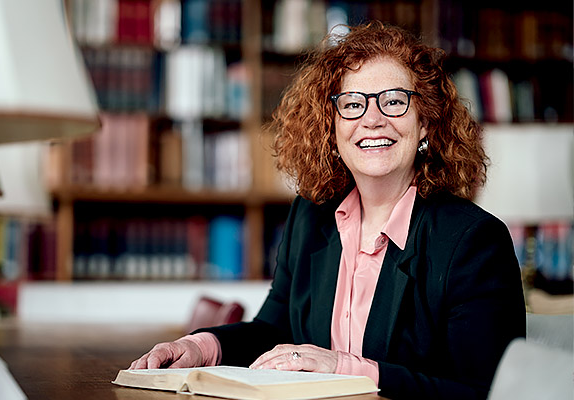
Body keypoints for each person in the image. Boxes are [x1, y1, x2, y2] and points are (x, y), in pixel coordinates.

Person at [129, 21, 526, 399]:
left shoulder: (474, 242)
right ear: (332, 128)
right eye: (352, 104)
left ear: (425, 122)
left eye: (394, 101)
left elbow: (481, 393)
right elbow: (274, 328)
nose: (373, 119)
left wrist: (345, 367)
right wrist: (203, 346)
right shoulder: (311, 214)